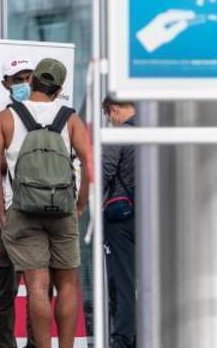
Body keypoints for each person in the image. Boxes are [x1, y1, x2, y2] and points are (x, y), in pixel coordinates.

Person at [0, 59, 93, 348]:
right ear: (58, 89)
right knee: (68, 285)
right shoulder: (70, 118)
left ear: (31, 82)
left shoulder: (6, 117)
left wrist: (1, 209)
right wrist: (79, 205)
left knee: (37, 286)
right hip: (62, 209)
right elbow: (89, 165)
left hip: (22, 211)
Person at [0, 58, 33, 348]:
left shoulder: (47, 113)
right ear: (5, 84)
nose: (24, 83)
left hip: (39, 212)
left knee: (40, 286)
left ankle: (37, 343)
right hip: (7, 213)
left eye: (28, 76)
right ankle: (4, 345)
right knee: (7, 287)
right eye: (17, 79)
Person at [102, 97, 136, 348]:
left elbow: (103, 172)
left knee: (123, 281)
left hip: (122, 220)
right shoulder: (159, 133)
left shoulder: (120, 135)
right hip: (157, 220)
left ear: (113, 110)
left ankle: (124, 339)